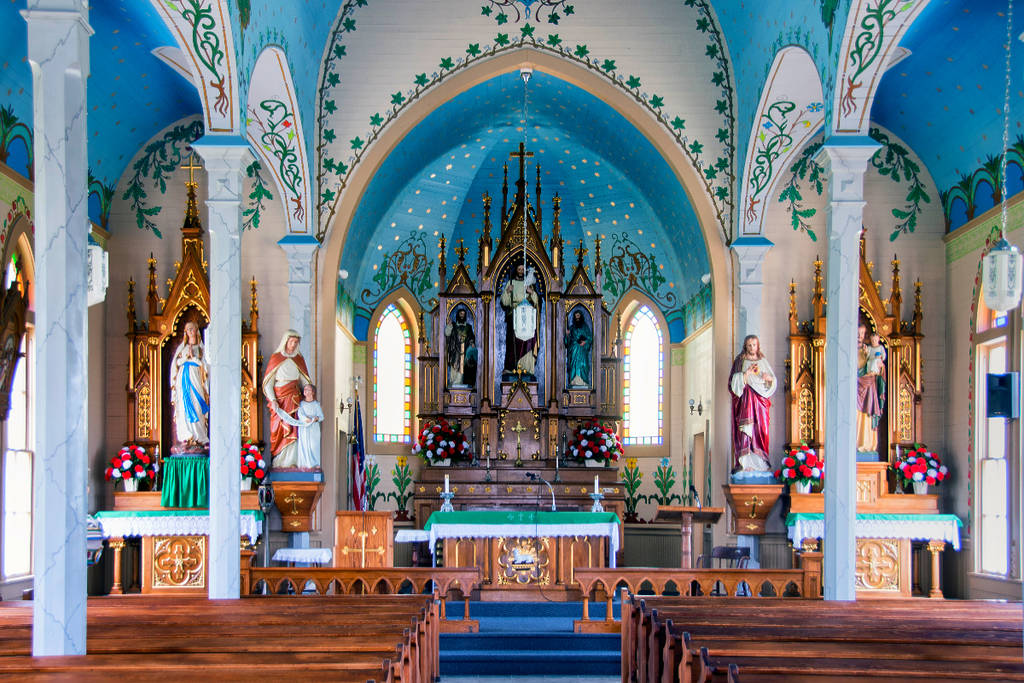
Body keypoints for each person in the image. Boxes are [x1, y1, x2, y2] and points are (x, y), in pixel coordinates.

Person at [262, 329, 312, 466]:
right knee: (280, 429)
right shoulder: (276, 358)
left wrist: (308, 391)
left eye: (296, 342)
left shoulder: (298, 359)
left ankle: (293, 461)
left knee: (295, 429)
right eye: (292, 342)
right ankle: (279, 461)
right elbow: (268, 383)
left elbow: (304, 380)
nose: (294, 345)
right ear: (286, 341)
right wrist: (273, 400)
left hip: (295, 398)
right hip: (280, 400)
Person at [729, 334, 777, 472]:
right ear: (745, 346)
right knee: (747, 429)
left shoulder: (763, 361)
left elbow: (772, 381)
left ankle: (761, 464)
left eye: (754, 345)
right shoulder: (740, 361)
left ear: (758, 345)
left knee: (761, 429)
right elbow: (732, 383)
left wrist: (769, 379)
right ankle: (746, 463)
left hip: (761, 403)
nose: (752, 348)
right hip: (747, 401)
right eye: (749, 345)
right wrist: (746, 374)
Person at [169, 320, 209, 451]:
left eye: (192, 329)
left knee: (197, 405)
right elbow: (177, 363)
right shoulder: (183, 348)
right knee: (184, 406)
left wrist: (194, 358)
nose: (190, 331)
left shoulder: (202, 348)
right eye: (187, 329)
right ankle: (186, 436)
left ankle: (200, 437)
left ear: (197, 330)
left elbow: (206, 366)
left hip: (196, 378)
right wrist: (187, 358)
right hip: (183, 379)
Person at [500, 262, 540, 378]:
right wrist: (508, 291)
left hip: (527, 317)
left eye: (523, 269)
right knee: (513, 343)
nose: (521, 271)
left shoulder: (529, 283)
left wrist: (531, 292)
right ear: (516, 270)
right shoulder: (510, 283)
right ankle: (512, 367)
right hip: (514, 315)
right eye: (519, 269)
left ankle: (525, 367)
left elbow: (537, 301)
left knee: (527, 341)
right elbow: (504, 302)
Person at [273, 384, 323, 469]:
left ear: (312, 392)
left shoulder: (316, 404)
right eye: (305, 390)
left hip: (314, 428)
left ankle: (315, 463)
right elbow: (300, 413)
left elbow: (321, 416)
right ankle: (304, 464)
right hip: (304, 427)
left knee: (313, 446)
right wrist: (305, 419)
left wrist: (315, 418)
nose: (305, 391)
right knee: (304, 445)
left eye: (308, 390)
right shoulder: (302, 404)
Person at [856, 324, 886, 455]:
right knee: (855, 417)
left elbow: (878, 366)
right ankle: (854, 445)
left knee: (868, 416)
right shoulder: (847, 350)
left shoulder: (868, 349)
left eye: (862, 333)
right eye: (857, 333)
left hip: (869, 387)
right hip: (854, 388)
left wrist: (880, 366)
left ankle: (867, 446)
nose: (859, 336)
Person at [445, 307, 477, 387]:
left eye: (463, 314)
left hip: (465, 350)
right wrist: (449, 326)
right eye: (460, 314)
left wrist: (472, 343)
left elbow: (471, 337)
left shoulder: (468, 327)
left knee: (463, 367)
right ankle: (453, 383)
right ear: (458, 315)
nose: (462, 315)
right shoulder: (453, 325)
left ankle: (459, 383)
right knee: (454, 365)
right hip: (455, 350)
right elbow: (447, 333)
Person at [564, 309, 593, 387]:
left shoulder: (585, 327)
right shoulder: (572, 328)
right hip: (574, 349)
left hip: (582, 350)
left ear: (581, 316)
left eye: (578, 315)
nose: (577, 317)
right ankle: (574, 381)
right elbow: (567, 342)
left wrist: (585, 342)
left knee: (583, 365)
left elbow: (590, 338)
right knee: (573, 365)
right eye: (576, 316)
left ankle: (583, 381)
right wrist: (567, 335)